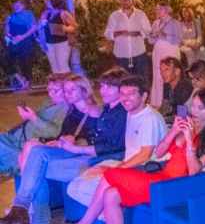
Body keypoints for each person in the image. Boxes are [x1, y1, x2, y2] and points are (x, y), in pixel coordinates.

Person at [59, 87, 205, 224]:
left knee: (111, 175)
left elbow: (194, 171)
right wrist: (174, 132)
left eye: (200, 108)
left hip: (178, 187)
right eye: (193, 106)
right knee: (110, 193)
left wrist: (188, 140)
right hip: (162, 177)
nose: (194, 111)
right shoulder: (187, 124)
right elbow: (160, 152)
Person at [4, 70, 128, 224]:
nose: (103, 90)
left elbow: (107, 146)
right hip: (80, 153)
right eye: (102, 86)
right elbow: (80, 137)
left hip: (93, 160)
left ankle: (36, 221)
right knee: (34, 152)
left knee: (33, 163)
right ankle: (22, 208)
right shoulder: (105, 110)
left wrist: (76, 144)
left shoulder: (103, 111)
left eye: (109, 87)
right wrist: (65, 141)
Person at [60, 74, 165, 210]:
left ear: (144, 96)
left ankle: (108, 220)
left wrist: (116, 168)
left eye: (131, 94)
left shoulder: (149, 118)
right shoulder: (128, 113)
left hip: (145, 169)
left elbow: (145, 155)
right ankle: (109, 218)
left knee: (86, 187)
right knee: (75, 186)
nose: (125, 98)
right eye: (122, 93)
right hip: (127, 163)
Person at [104, 0, 153, 83]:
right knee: (123, 83)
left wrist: (137, 33)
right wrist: (119, 33)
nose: (124, 2)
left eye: (126, 0)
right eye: (122, 0)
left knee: (141, 81)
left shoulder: (141, 14)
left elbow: (148, 30)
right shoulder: (114, 16)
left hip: (139, 54)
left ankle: (143, 97)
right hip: (121, 55)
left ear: (132, 1)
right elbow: (107, 33)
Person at [148, 1, 184, 108]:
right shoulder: (155, 23)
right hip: (158, 51)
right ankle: (157, 102)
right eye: (156, 9)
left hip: (170, 50)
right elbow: (150, 41)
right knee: (158, 75)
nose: (157, 11)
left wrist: (164, 35)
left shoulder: (175, 23)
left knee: (171, 75)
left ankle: (171, 102)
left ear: (167, 10)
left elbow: (179, 40)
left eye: (160, 9)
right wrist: (152, 36)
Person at [39, 0, 77, 74]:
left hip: (62, 42)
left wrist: (63, 28)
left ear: (55, 2)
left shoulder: (63, 13)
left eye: (48, 1)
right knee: (54, 66)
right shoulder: (46, 13)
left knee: (62, 65)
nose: (46, 2)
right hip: (49, 43)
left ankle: (67, 85)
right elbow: (40, 27)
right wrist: (42, 41)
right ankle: (58, 84)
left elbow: (74, 27)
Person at [157, 56, 193, 122]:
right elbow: (165, 107)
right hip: (173, 119)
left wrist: (161, 119)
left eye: (167, 70)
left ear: (177, 71)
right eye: (161, 70)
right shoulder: (167, 84)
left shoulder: (185, 87)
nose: (162, 74)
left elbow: (182, 115)